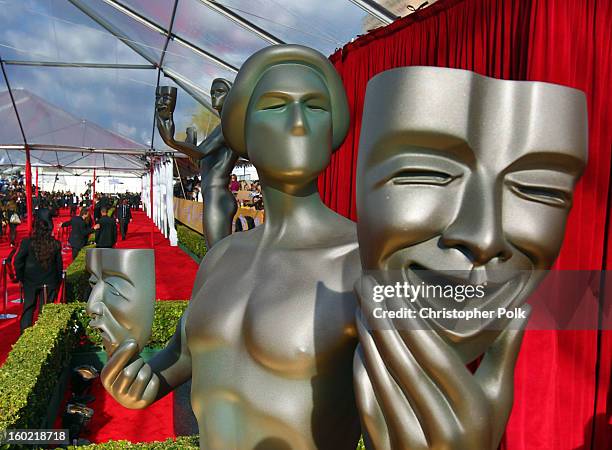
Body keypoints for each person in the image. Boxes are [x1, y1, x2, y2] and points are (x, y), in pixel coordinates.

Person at [100, 45, 362, 449]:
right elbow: (189, 352)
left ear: (333, 129)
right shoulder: (222, 257)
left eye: (314, 107)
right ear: (244, 131)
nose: (297, 123)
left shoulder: (364, 261)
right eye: (275, 106)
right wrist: (148, 379)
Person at [14, 217, 63, 333]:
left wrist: (20, 277)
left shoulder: (27, 243)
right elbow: (59, 265)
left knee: (29, 307)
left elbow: (18, 261)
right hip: (49, 280)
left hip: (31, 281)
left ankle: (25, 335)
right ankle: (44, 334)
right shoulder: (54, 243)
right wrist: (58, 280)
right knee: (45, 309)